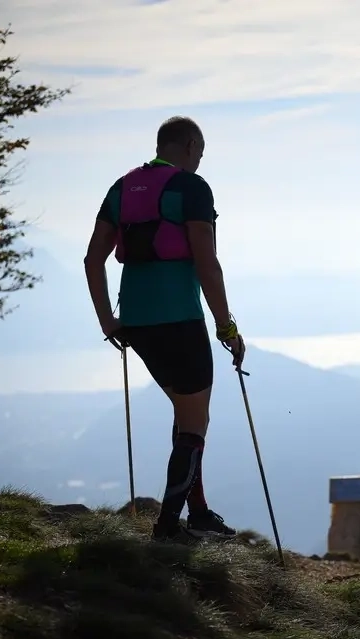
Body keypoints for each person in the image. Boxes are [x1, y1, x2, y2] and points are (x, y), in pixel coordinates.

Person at [82, 115, 246, 543]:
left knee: (187, 413)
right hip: (180, 319)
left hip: (136, 323)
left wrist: (107, 320)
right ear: (190, 146)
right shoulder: (192, 188)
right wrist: (227, 327)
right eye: (200, 153)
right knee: (194, 424)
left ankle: (199, 513)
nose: (199, 161)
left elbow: (92, 259)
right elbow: (207, 264)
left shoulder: (121, 188)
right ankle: (169, 528)